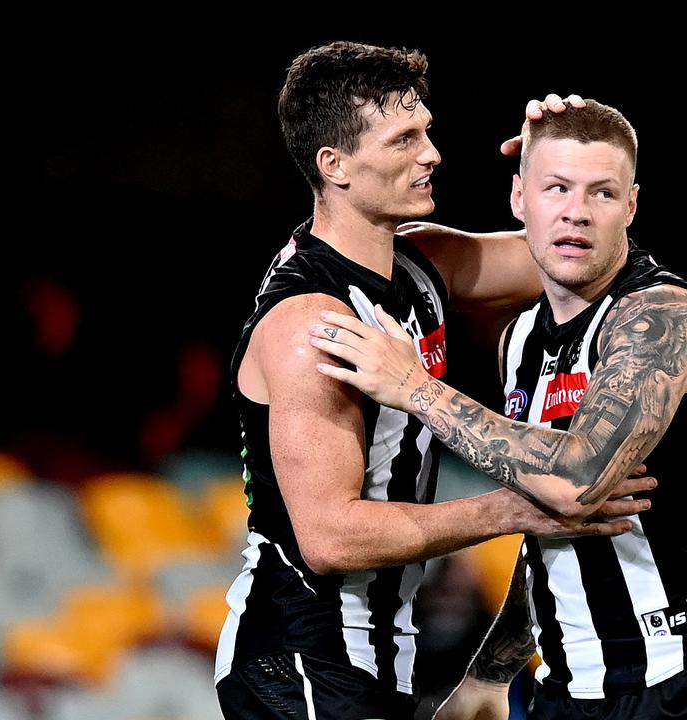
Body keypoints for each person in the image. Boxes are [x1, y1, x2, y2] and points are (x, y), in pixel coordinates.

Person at [215, 42, 654, 720]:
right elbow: (330, 538)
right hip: (300, 653)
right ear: (334, 167)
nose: (432, 154)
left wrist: (565, 162)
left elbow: (590, 256)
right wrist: (516, 509)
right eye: (403, 139)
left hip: (375, 655)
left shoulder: (421, 263)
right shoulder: (313, 321)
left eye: (426, 131)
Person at [311, 100, 687, 718]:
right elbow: (546, 525)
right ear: (518, 200)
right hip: (563, 690)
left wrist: (415, 387)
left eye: (602, 193)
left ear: (632, 207)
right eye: (556, 187)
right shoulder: (520, 339)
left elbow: (576, 483)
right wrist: (491, 672)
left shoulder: (661, 316)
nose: (576, 213)